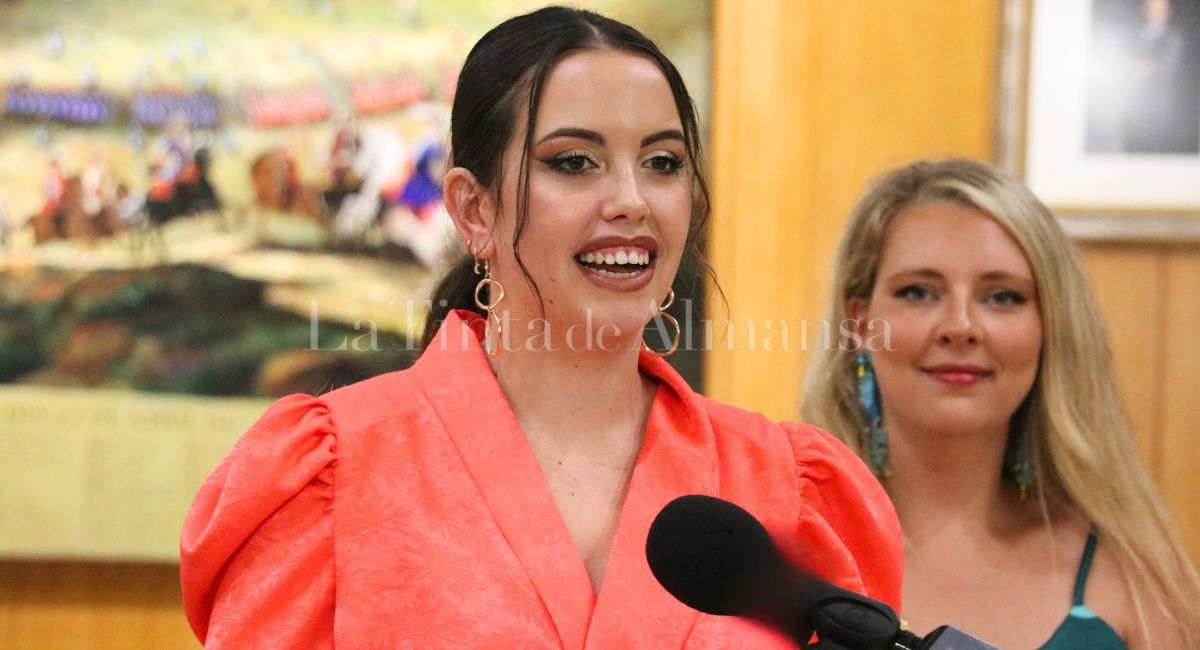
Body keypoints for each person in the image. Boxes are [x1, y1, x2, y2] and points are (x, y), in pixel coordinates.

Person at [180, 7, 902, 648]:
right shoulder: (330, 478)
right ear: (473, 210)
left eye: (662, 163)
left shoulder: (789, 487)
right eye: (574, 162)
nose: (631, 200)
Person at [802, 158, 1200, 648]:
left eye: (1003, 297)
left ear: (1049, 326)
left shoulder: (1134, 578)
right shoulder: (784, 548)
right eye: (918, 292)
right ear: (859, 323)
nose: (961, 326)